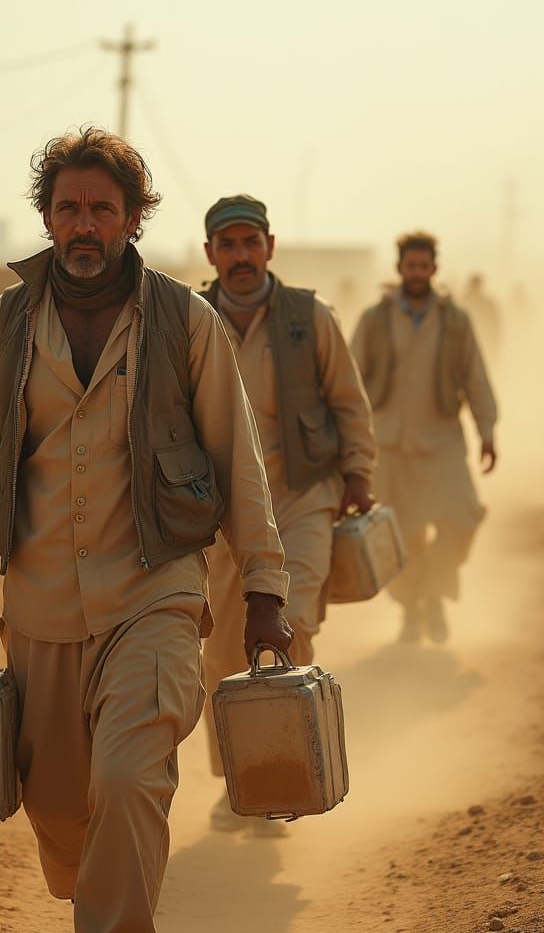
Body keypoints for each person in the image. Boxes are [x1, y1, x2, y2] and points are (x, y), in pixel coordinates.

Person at [0, 129, 292, 933]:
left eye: (103, 209)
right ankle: (91, 888)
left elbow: (238, 463)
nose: (84, 225)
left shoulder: (185, 321)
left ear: (133, 218)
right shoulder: (8, 323)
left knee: (129, 782)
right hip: (42, 612)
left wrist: (265, 588)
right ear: (48, 219)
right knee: (63, 815)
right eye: (69, 209)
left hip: (153, 597)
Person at [199, 194, 377, 832]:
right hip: (221, 513)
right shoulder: (189, 323)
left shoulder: (310, 317)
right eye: (228, 245)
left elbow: (349, 402)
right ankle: (238, 781)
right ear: (210, 254)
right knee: (220, 650)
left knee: (289, 622)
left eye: (251, 243)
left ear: (269, 248)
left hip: (303, 495)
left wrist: (358, 472)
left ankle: (288, 768)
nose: (241, 256)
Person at [351, 231, 497, 645]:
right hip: (390, 446)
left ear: (434, 268)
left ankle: (435, 591)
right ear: (399, 269)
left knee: (463, 520)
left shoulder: (456, 320)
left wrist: (487, 431)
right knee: (402, 536)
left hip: (443, 442)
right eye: (410, 266)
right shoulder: (374, 319)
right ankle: (413, 610)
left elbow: (477, 379)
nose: (417, 273)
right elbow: (347, 381)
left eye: (424, 266)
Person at [461, 273, 502, 362]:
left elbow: (495, 326)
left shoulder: (488, 304)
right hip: (467, 345)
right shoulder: (462, 302)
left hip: (486, 343)